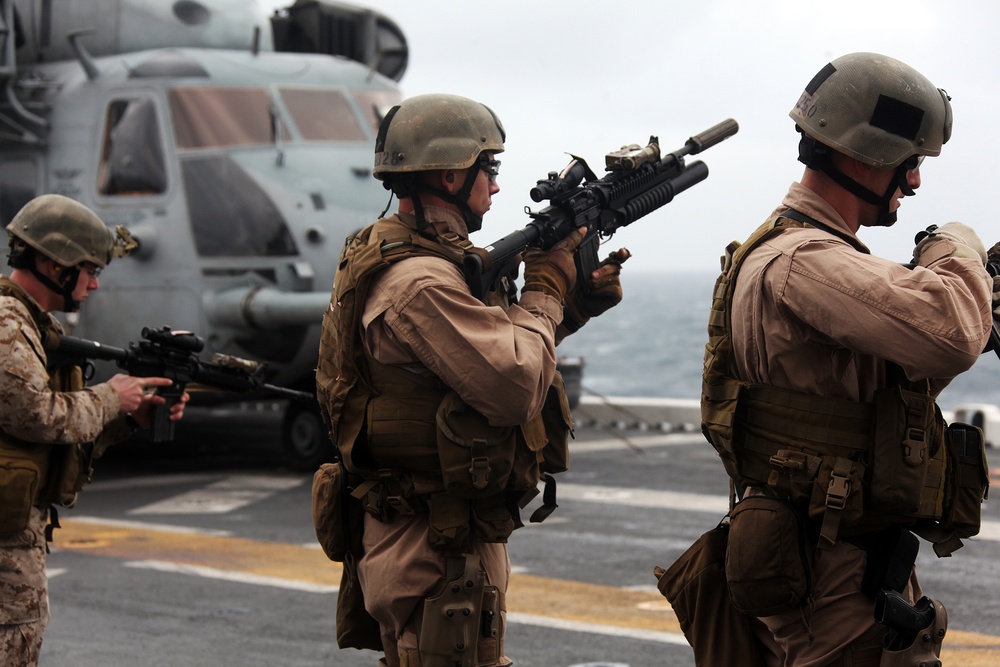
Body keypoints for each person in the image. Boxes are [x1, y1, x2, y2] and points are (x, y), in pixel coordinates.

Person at [695, 52, 995, 666]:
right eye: (909, 165)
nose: (913, 183)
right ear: (864, 156)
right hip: (831, 584)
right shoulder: (805, 262)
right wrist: (954, 243)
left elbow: (870, 391)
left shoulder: (815, 256)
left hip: (833, 560)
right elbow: (951, 331)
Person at [315, 93, 629, 667]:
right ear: (449, 172)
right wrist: (545, 291)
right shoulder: (421, 281)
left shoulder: (418, 255)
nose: (496, 185)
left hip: (430, 535)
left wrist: (571, 306)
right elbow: (512, 386)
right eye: (490, 168)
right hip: (437, 550)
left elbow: (470, 364)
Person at [0, 194, 189, 666]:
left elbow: (51, 436)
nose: (96, 284)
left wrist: (129, 417)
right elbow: (34, 415)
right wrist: (112, 396)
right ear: (52, 263)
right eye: (89, 269)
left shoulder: (35, 327)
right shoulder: (7, 325)